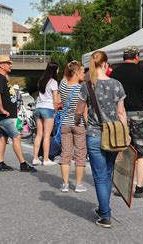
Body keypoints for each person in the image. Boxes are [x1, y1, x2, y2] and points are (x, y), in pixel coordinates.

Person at [75, 51, 127, 228]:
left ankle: (105, 214)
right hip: (114, 135)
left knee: (99, 176)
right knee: (107, 174)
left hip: (95, 135)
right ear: (105, 64)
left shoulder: (88, 85)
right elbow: (121, 112)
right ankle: (104, 209)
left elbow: (79, 109)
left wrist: (78, 122)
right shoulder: (117, 84)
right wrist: (125, 133)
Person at [111, 45, 143, 198]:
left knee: (122, 149)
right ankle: (139, 188)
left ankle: (121, 186)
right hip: (139, 116)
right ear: (137, 56)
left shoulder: (115, 72)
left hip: (119, 116)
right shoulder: (141, 71)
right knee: (142, 151)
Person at [0, 55, 36, 172]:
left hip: (5, 115)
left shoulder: (2, 78)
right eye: (8, 63)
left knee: (2, 138)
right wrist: (2, 110)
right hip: (4, 116)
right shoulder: (0, 78)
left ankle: (0, 163)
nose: (10, 65)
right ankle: (23, 164)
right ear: (1, 65)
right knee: (16, 136)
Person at [59, 60, 87, 193]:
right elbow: (84, 109)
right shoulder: (83, 88)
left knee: (65, 153)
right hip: (78, 123)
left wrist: (69, 65)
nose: (84, 73)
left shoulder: (63, 85)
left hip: (65, 123)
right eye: (82, 71)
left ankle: (65, 184)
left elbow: (65, 76)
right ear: (76, 72)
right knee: (80, 154)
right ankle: (79, 184)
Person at [32, 61, 60, 166]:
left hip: (38, 108)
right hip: (48, 109)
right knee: (47, 136)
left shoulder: (41, 80)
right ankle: (46, 159)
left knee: (39, 134)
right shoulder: (53, 82)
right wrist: (56, 110)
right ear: (55, 70)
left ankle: (35, 158)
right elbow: (55, 99)